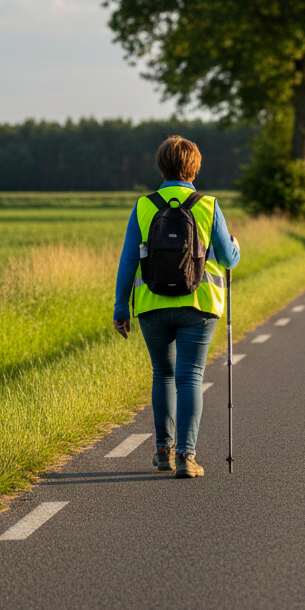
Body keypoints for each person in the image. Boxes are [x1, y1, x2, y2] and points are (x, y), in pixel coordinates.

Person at [113, 136, 240, 478]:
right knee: (190, 377)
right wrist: (236, 247)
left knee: (163, 374)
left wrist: (121, 307)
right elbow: (229, 258)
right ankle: (187, 456)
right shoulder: (208, 205)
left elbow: (127, 263)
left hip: (152, 306)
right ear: (195, 167)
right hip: (197, 306)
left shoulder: (143, 206)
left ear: (161, 165)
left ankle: (162, 452)